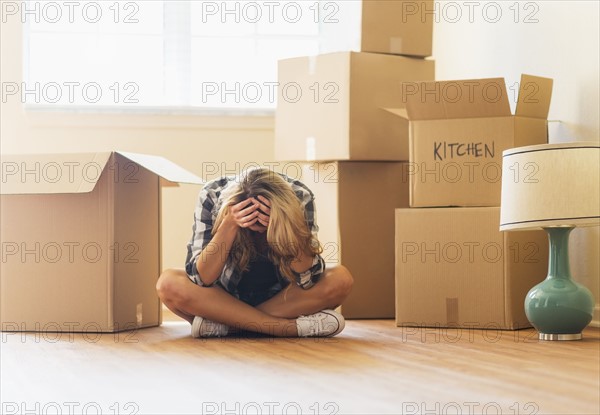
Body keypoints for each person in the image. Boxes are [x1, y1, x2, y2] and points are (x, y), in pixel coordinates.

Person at [156, 167, 354, 338]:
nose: (256, 233)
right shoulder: (212, 194)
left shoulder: (300, 196)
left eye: (263, 228)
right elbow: (201, 278)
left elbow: (308, 278)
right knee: (168, 284)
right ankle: (286, 329)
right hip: (225, 297)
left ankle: (228, 327)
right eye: (250, 227)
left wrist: (285, 227)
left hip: (284, 299)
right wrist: (229, 224)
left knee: (340, 279)